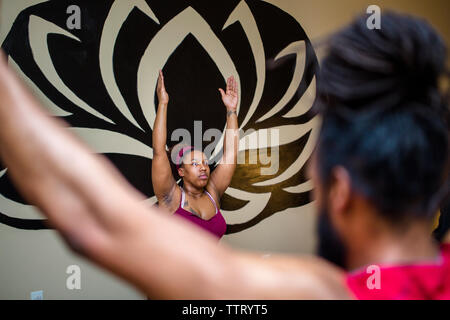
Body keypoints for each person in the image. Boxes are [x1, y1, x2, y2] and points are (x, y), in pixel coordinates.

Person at [0, 12, 449, 300]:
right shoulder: (169, 194)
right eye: (193, 159)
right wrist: (163, 107)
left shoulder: (325, 292)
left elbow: (93, 217)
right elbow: (159, 150)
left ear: (342, 191)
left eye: (203, 159)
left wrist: (233, 114)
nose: (202, 163)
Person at [151, 71, 239, 239]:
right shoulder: (171, 197)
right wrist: (163, 103)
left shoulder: (213, 192)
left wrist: (231, 110)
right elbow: (158, 151)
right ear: (181, 171)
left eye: (205, 162)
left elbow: (231, 154)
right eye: (194, 163)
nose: (203, 167)